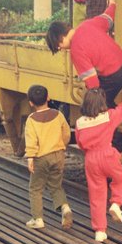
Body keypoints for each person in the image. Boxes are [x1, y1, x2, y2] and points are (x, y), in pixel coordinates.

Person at [75, 82, 122, 242]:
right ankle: (116, 203)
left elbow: (80, 144)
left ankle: (100, 231)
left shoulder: (80, 123)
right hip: (107, 155)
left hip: (91, 159)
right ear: (102, 103)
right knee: (120, 177)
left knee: (96, 194)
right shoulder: (108, 117)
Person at [45, 0, 122, 109]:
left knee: (98, 105)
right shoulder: (87, 24)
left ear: (61, 38)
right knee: (106, 98)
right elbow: (108, 19)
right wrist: (112, 4)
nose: (61, 49)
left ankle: (117, 118)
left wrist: (92, 101)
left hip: (114, 75)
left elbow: (92, 80)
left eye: (58, 46)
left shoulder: (76, 50)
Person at [23, 84, 73, 230]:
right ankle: (65, 208)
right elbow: (66, 134)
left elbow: (31, 140)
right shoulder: (58, 115)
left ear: (30, 103)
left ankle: (37, 219)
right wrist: (61, 145)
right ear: (48, 98)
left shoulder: (31, 120)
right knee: (56, 185)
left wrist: (30, 157)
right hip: (58, 155)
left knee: (36, 188)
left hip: (41, 157)